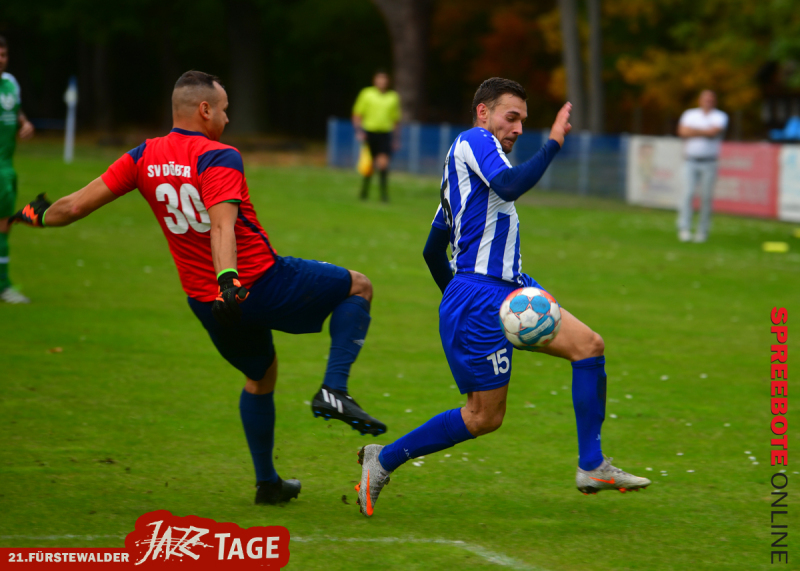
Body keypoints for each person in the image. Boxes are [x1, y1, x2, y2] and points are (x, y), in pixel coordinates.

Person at [11, 70, 387, 505]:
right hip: (256, 283)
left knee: (260, 376)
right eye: (224, 109)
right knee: (358, 287)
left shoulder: (141, 157)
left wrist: (34, 215)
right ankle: (334, 390)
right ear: (204, 109)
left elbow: (73, 206)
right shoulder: (219, 155)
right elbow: (222, 226)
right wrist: (230, 282)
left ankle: (267, 483)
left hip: (205, 303)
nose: (227, 118)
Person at [354, 78, 650, 517]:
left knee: (590, 347)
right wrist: (551, 144)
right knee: (483, 416)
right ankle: (384, 459)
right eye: (510, 117)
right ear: (483, 113)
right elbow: (510, 185)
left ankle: (592, 465)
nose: (516, 128)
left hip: (510, 292)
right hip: (480, 297)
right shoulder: (473, 141)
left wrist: (454, 293)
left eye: (523, 122)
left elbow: (432, 249)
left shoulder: (464, 184)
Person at [0, 35, 35, 303]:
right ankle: (4, 285)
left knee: (4, 226)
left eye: (3, 54)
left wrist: (25, 123)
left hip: (7, 168)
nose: (1, 60)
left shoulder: (10, 83)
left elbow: (17, 111)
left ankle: (3, 284)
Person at [676, 90, 728, 243]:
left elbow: (714, 132)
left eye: (711, 99)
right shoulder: (690, 114)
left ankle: (702, 231)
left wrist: (693, 131)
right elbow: (682, 132)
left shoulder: (720, 116)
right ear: (700, 100)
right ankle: (684, 228)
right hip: (690, 160)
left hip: (709, 162)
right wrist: (704, 131)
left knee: (706, 198)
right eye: (705, 99)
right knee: (687, 194)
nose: (708, 102)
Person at [352, 71, 400, 202]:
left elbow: (395, 119)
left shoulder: (392, 97)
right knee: (369, 164)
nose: (382, 82)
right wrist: (358, 131)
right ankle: (364, 191)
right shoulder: (367, 94)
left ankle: (383, 194)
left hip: (385, 134)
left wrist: (396, 138)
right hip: (369, 132)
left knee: (383, 164)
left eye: (384, 80)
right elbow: (357, 114)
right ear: (375, 80)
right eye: (379, 79)